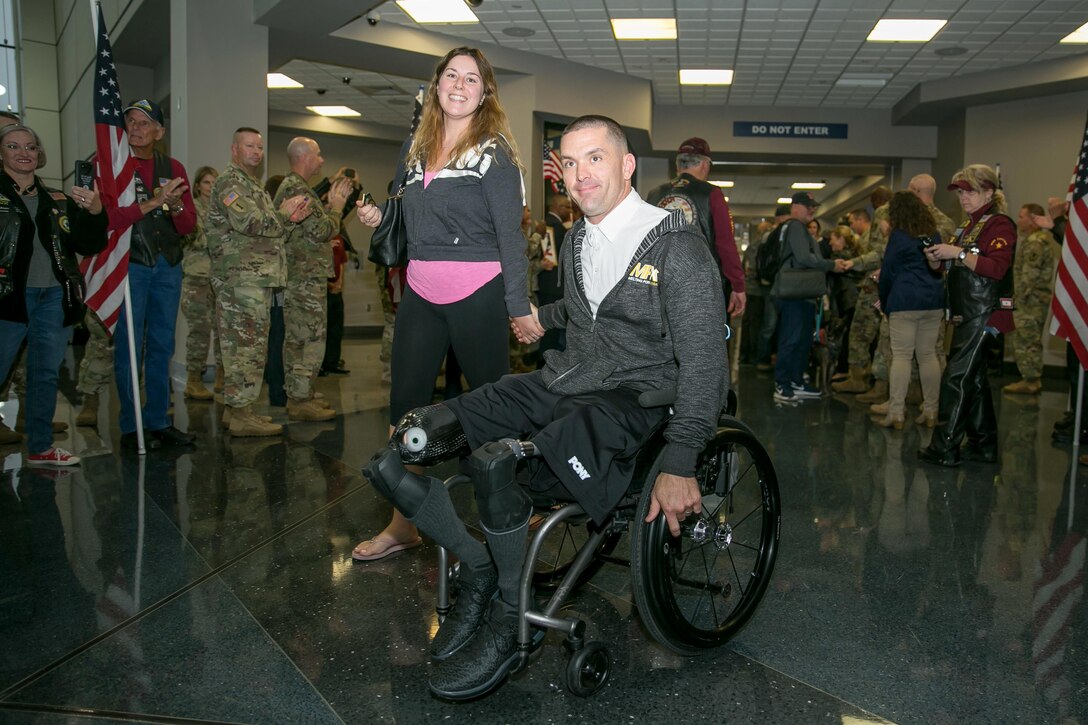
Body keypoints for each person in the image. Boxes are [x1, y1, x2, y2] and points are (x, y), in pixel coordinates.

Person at [361, 114, 726, 700]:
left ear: (628, 165)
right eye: (571, 162)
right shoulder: (579, 238)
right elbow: (593, 317)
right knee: (411, 441)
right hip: (566, 379)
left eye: (596, 159)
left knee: (497, 463)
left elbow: (707, 361)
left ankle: (511, 618)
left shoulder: (677, 248)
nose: (580, 175)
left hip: (636, 399)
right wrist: (541, 319)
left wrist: (681, 460)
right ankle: (479, 568)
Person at [353, 47, 539, 561]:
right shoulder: (416, 146)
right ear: (436, 86)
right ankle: (403, 524)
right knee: (403, 415)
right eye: (451, 75)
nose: (459, 84)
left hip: (478, 293)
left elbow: (510, 236)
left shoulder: (494, 151)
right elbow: (408, 211)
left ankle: (511, 522)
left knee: (494, 413)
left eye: (471, 78)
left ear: (485, 92)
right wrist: (382, 219)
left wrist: (518, 305)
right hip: (421, 291)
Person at [0, 124, 107, 464]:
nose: (23, 152)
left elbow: (89, 244)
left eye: (30, 147)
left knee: (44, 373)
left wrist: (94, 212)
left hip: (53, 299)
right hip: (8, 298)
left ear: (39, 154)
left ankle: (41, 448)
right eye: (14, 146)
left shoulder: (58, 199)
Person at [205, 127, 310, 437]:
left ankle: (239, 411)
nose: (256, 152)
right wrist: (283, 213)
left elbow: (271, 230)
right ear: (234, 149)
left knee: (250, 347)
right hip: (240, 280)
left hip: (255, 279)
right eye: (249, 146)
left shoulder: (253, 185)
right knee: (243, 348)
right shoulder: (229, 183)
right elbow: (249, 222)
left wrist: (288, 220)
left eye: (260, 147)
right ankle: (240, 414)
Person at [110, 99, 198, 451]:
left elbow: (188, 224)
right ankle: (132, 426)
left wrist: (174, 204)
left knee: (162, 344)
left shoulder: (171, 166)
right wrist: (151, 202)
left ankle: (158, 420)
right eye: (130, 121)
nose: (136, 128)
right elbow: (108, 219)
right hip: (131, 263)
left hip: (167, 263)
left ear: (159, 132)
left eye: (145, 123)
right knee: (129, 346)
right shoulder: (114, 164)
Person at [919, 165, 1016, 467]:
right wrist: (938, 259)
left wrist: (957, 253)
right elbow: (957, 267)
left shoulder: (999, 224)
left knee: (957, 378)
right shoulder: (968, 227)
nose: (963, 197)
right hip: (969, 314)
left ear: (989, 191)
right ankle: (983, 445)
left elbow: (997, 267)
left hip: (986, 313)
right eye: (960, 191)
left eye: (969, 190)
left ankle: (944, 447)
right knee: (973, 381)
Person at [274, 137, 353, 422]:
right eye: (318, 155)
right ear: (305, 157)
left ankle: (302, 392)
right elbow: (320, 230)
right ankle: (299, 398)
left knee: (302, 338)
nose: (321, 161)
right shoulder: (296, 188)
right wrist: (337, 206)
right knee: (307, 339)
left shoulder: (297, 187)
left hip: (303, 277)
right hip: (302, 280)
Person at [645, 137, 746, 318]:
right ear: (705, 165)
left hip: (658, 284)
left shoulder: (654, 194)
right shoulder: (712, 194)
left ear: (677, 166)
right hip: (701, 284)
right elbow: (725, 245)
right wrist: (738, 286)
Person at [875, 191, 945, 429]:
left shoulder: (899, 235)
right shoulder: (932, 233)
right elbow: (939, 267)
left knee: (902, 355)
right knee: (928, 355)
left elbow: (888, 272)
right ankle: (931, 411)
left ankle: (896, 413)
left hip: (904, 300)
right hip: (932, 301)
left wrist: (884, 303)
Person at [771, 191, 844, 403]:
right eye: (808, 206)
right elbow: (803, 258)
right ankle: (782, 383)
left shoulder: (800, 229)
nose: (812, 210)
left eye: (813, 206)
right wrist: (830, 265)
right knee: (791, 339)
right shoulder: (795, 227)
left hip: (803, 294)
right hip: (794, 294)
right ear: (795, 207)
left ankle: (795, 381)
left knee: (802, 340)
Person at [1003, 203, 1058, 395]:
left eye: (1021, 216)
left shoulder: (1036, 241)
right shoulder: (1036, 239)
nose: (1018, 220)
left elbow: (1029, 277)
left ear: (1033, 218)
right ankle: (1030, 379)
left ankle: (1031, 380)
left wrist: (1014, 301)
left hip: (1030, 302)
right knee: (1027, 339)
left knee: (1028, 340)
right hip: (1031, 301)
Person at [180, 165, 221, 401]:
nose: (211, 186)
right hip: (197, 277)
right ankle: (194, 380)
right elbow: (197, 239)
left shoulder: (221, 210)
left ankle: (221, 377)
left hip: (219, 278)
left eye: (215, 182)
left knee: (221, 330)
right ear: (198, 186)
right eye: (207, 182)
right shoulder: (191, 208)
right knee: (200, 330)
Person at [536, 192, 570, 362]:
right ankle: (543, 370)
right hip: (553, 286)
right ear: (556, 207)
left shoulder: (546, 225)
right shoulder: (553, 227)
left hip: (546, 285)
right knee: (549, 333)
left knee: (548, 333)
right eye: (567, 207)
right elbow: (554, 260)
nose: (570, 211)